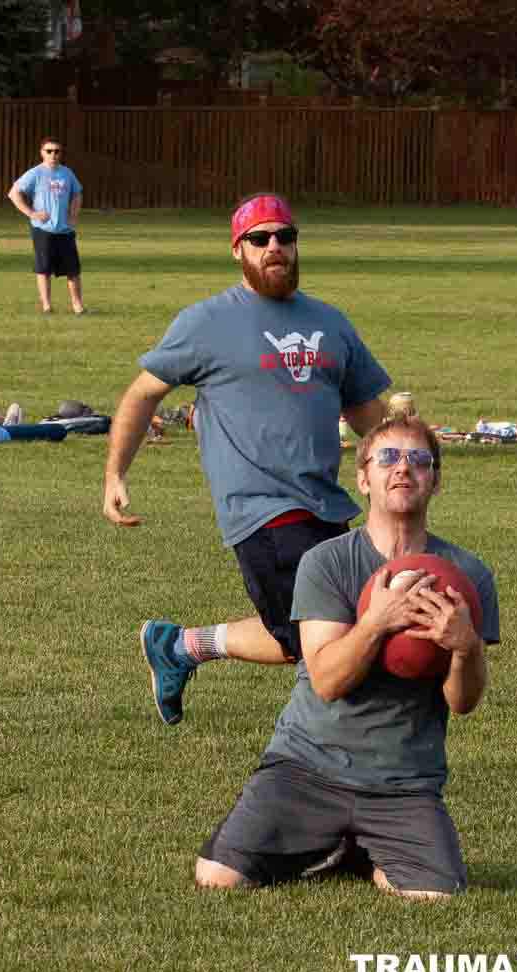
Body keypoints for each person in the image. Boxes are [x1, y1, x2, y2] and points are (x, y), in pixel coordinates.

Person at [103, 192, 391, 725]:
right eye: (260, 239)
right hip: (262, 508)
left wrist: (401, 465)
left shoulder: (331, 323)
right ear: (238, 250)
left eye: (285, 236)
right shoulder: (207, 322)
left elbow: (366, 410)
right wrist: (116, 472)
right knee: (326, 637)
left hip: (329, 505)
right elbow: (142, 394)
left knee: (304, 638)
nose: (275, 247)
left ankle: (180, 647)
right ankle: (331, 754)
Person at [195, 412, 500, 897]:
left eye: (420, 460)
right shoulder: (328, 562)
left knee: (437, 896)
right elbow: (327, 681)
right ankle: (333, 839)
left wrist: (465, 648)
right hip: (305, 768)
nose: (404, 469)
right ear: (363, 478)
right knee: (217, 879)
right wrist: (378, 620)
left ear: (435, 481)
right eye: (388, 458)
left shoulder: (467, 576)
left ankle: (361, 848)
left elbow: (462, 703)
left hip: (403, 782)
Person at [8, 137, 85, 314]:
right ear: (42, 153)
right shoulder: (35, 173)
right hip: (43, 230)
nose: (53, 155)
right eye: (49, 151)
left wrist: (73, 216)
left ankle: (78, 306)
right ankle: (47, 306)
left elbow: (77, 194)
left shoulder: (67, 173)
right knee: (44, 269)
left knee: (73, 270)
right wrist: (32, 213)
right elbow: (14, 193)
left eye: (57, 151)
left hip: (65, 230)